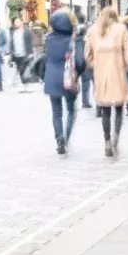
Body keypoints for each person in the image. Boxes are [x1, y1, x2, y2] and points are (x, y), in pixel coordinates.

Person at [84, 7, 128, 157]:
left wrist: (95, 64)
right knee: (119, 107)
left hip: (101, 74)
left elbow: (87, 54)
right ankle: (116, 137)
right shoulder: (121, 29)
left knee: (105, 109)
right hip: (117, 72)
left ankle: (106, 141)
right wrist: (124, 65)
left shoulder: (93, 30)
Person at [43, 9, 85, 154]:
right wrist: (78, 74)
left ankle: (59, 137)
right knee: (71, 110)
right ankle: (66, 137)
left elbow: (44, 58)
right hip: (68, 79)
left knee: (56, 112)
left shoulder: (47, 39)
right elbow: (80, 62)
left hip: (51, 78)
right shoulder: (73, 40)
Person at [9, 17, 34, 92]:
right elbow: (11, 43)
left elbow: (30, 43)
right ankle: (24, 85)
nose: (15, 23)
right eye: (15, 22)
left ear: (21, 22)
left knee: (25, 69)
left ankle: (25, 85)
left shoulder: (26, 32)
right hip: (17, 55)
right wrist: (11, 53)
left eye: (17, 21)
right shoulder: (13, 32)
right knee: (21, 70)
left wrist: (31, 53)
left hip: (25, 54)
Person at [76, 14, 93, 108]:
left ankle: (71, 100)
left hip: (75, 61)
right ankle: (85, 101)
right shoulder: (88, 33)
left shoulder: (73, 33)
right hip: (85, 61)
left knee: (72, 81)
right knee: (86, 81)